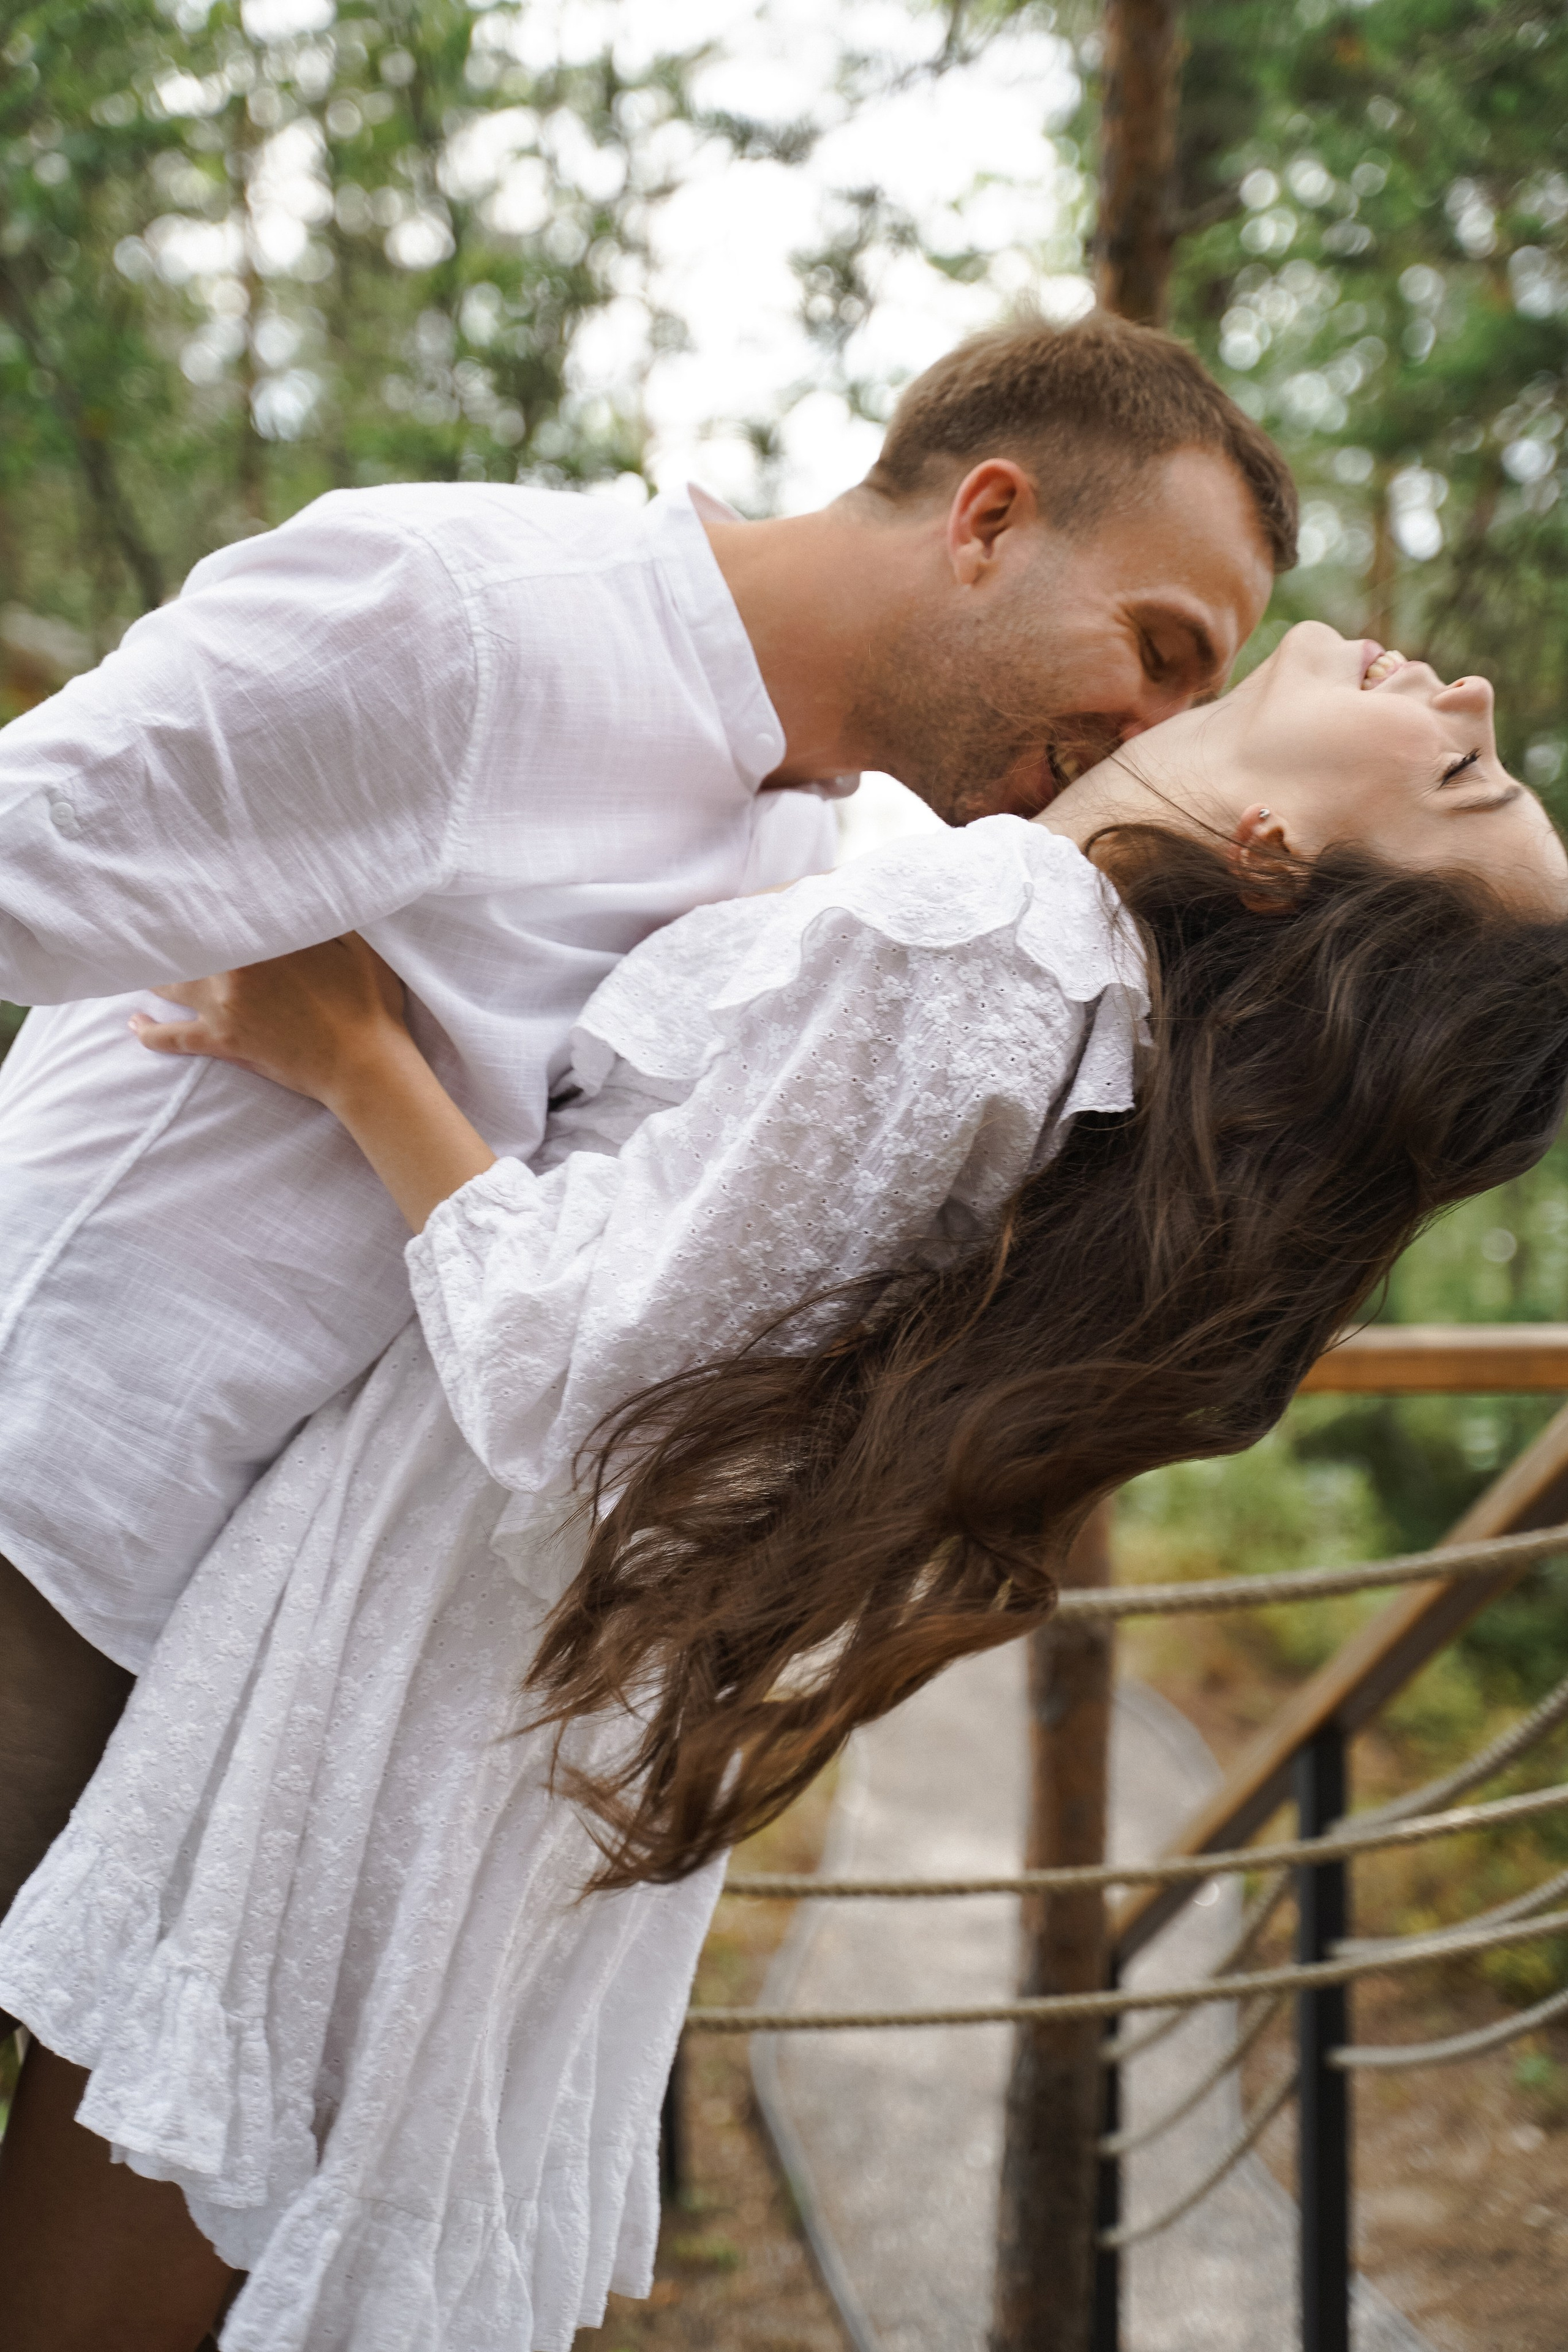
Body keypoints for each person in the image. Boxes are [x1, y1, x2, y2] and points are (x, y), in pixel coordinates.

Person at [2, 622, 1565, 2352]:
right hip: (530, 1661)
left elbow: (595, 1377)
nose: (1471, 698)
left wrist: (354, 1054)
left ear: (1273, 857)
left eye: (1463, 775)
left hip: (441, 1627)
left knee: (123, 2236)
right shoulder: (1071, 1009)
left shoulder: (1004, 939)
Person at [0, 312, 1293, 1961]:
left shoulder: (805, 859)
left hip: (237, 1642)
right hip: (47, 1493)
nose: (1160, 728)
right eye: (1162, 648)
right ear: (988, 520)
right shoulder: (473, 611)